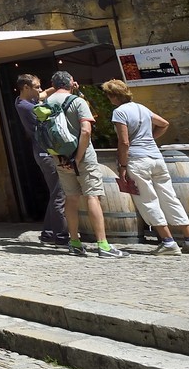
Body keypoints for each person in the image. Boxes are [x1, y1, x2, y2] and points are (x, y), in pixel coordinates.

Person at [104, 79, 189, 256]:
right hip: (156, 157)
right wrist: (151, 138)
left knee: (147, 200)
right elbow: (164, 123)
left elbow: (124, 141)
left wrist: (122, 165)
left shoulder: (119, 112)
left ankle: (168, 241)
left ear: (113, 96)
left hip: (138, 159)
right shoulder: (142, 108)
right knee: (170, 197)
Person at [42, 71, 126, 259]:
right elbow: (86, 131)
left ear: (53, 84)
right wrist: (78, 158)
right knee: (92, 197)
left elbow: (44, 135)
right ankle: (103, 245)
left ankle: (74, 243)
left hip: (60, 158)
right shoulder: (77, 101)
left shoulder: (45, 104)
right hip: (83, 156)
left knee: (71, 199)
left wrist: (63, 158)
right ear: (71, 83)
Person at [14, 73, 69, 245]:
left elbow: (44, 94)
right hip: (47, 154)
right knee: (59, 195)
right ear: (26, 88)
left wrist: (62, 86)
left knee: (55, 193)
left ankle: (48, 232)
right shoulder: (27, 107)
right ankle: (61, 236)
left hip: (43, 153)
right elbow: (52, 113)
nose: (40, 89)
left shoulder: (23, 100)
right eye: (36, 87)